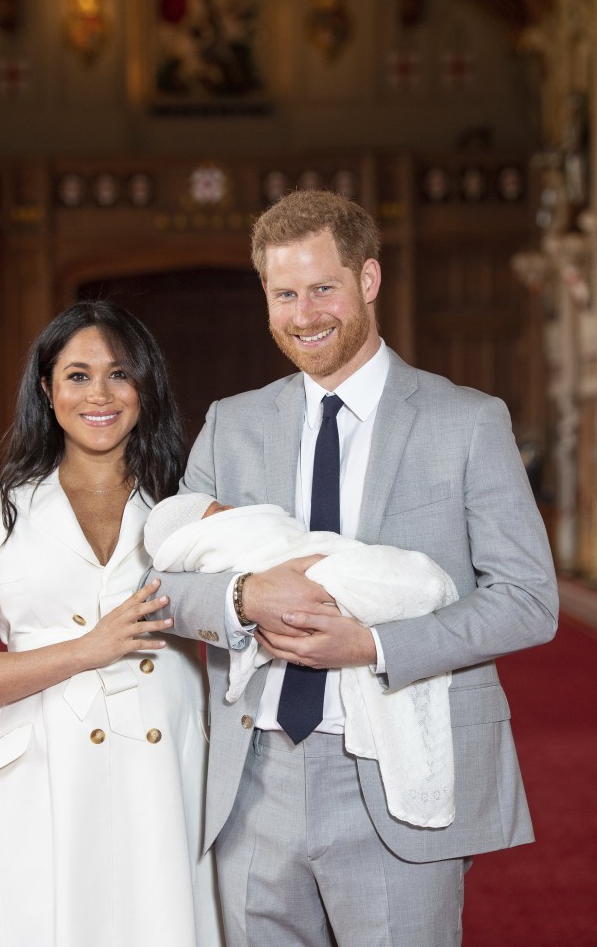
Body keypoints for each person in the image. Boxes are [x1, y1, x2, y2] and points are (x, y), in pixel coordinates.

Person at [152, 190, 559, 947]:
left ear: (368, 280)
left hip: (394, 770)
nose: (303, 314)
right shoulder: (231, 423)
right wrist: (243, 595)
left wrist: (374, 646)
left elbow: (530, 598)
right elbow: (165, 583)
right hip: (253, 779)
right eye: (283, 294)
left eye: (322, 287)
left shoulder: (467, 421)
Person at [0, 300, 224, 947]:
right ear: (46, 387)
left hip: (167, 768)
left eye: (119, 374)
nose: (100, 393)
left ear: (144, 385)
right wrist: (85, 648)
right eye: (77, 374)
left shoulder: (187, 505)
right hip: (45, 768)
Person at [144, 492, 458, 829]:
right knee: (398, 582)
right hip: (255, 762)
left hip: (367, 756)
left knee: (407, 580)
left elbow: (519, 595)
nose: (233, 510)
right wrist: (245, 597)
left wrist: (373, 645)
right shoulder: (219, 444)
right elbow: (157, 589)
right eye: (221, 512)